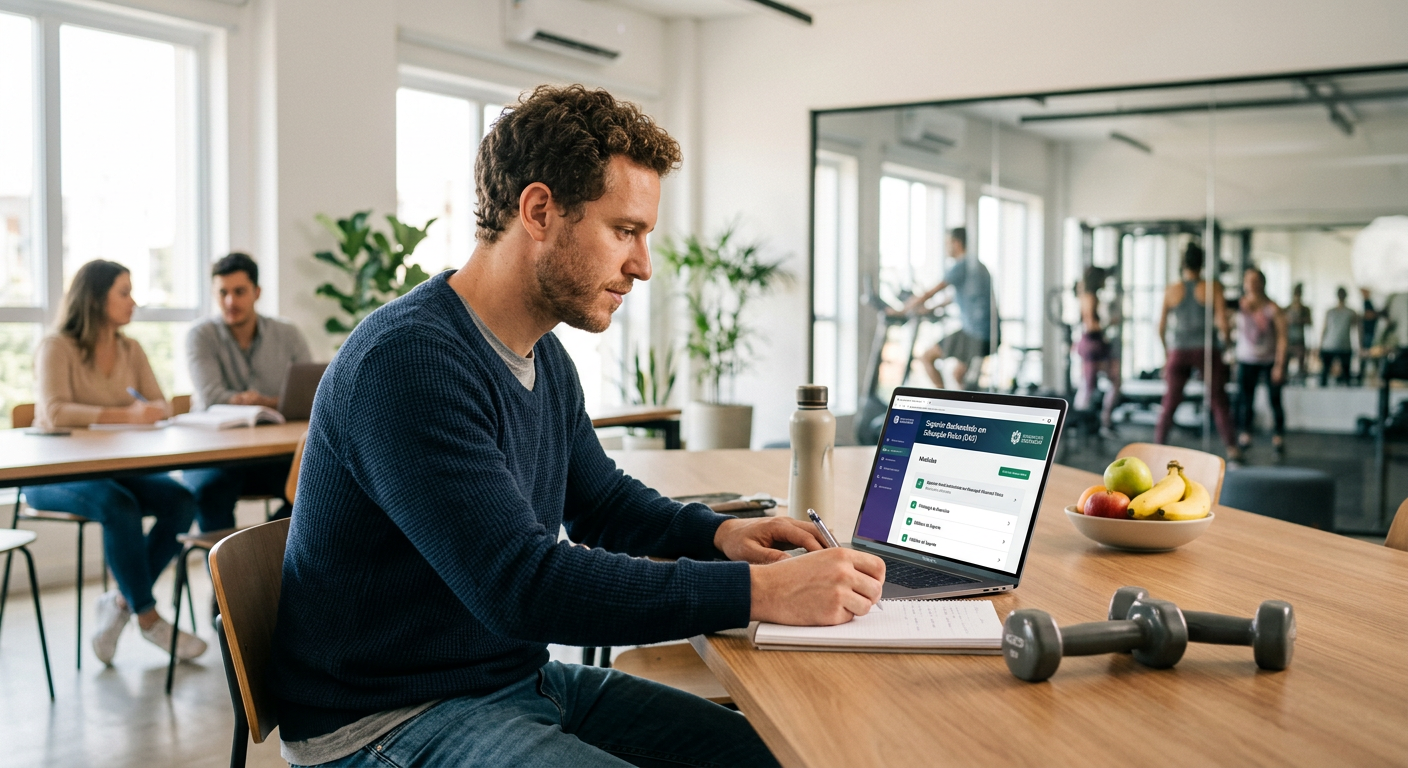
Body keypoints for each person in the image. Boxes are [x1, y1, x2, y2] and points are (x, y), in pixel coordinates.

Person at [271, 85, 885, 768]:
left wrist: (718, 534)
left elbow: (601, 502)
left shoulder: (542, 356)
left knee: (776, 757)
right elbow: (521, 585)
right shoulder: (408, 362)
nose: (642, 265)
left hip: (512, 683)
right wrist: (758, 592)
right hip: (387, 719)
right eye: (625, 231)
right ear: (539, 211)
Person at [22, 260, 207, 665]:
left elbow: (159, 404)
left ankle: (122, 601)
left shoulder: (130, 348)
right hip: (50, 476)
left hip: (113, 470)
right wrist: (127, 415)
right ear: (94, 298)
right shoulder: (56, 346)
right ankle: (148, 617)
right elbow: (54, 412)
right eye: (124, 292)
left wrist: (150, 411)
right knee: (118, 505)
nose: (133, 302)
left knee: (181, 501)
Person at [182, 253, 312, 532]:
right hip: (212, 454)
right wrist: (275, 403)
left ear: (257, 292)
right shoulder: (200, 335)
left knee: (316, 485)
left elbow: (308, 394)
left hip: (268, 455)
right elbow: (212, 396)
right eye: (223, 293)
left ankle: (259, 548)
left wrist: (258, 402)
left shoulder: (287, 334)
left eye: (239, 292)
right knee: (212, 490)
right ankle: (228, 560)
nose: (230, 301)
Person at [1155, 243, 1238, 459]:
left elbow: (1160, 328)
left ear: (1183, 263)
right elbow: (1223, 323)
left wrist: (1167, 354)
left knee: (1170, 401)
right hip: (1206, 349)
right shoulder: (1213, 287)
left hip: (1179, 350)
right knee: (1218, 399)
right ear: (1202, 263)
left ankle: (1157, 446)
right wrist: (1228, 348)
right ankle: (1232, 448)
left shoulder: (1172, 290)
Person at [902, 227, 994, 389]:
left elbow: (931, 292)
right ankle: (964, 403)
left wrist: (903, 310)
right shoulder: (978, 266)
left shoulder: (962, 266)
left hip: (975, 334)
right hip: (988, 333)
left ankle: (943, 401)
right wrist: (931, 308)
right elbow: (955, 297)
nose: (945, 248)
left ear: (956, 243)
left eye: (947, 243)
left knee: (927, 357)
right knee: (958, 375)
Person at [1233, 268, 1288, 454]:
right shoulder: (1239, 306)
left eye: (1255, 280)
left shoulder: (1272, 308)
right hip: (1246, 359)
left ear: (1262, 283)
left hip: (1269, 360)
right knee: (1245, 400)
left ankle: (1278, 435)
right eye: (1248, 280)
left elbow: (1282, 338)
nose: (1251, 284)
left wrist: (1280, 365)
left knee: (1275, 399)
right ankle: (1245, 434)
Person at [1075, 266, 1120, 437]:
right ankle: (1095, 422)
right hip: (1092, 343)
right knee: (1091, 385)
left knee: (1091, 384)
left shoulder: (1088, 296)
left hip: (1094, 343)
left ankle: (1099, 422)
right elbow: (1091, 325)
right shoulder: (1090, 298)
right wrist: (1109, 323)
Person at [1319, 287, 1357, 387]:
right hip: (1329, 346)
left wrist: (1359, 347)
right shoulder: (1330, 312)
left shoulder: (1351, 312)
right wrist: (1320, 345)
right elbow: (1324, 329)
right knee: (1325, 373)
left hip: (1344, 346)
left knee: (1346, 374)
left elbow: (1357, 330)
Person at [1283, 283, 1312, 384]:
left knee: (1301, 364)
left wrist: (1299, 320)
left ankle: (1301, 382)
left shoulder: (1304, 309)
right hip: (1289, 339)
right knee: (1285, 363)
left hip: (1299, 339)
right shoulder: (1287, 309)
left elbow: (1309, 322)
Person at [1359, 288, 1380, 384]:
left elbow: (1369, 315)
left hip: (1369, 333)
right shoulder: (1365, 303)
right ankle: (1362, 375)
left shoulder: (1368, 303)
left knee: (1370, 354)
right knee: (1366, 354)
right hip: (1367, 333)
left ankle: (1374, 375)